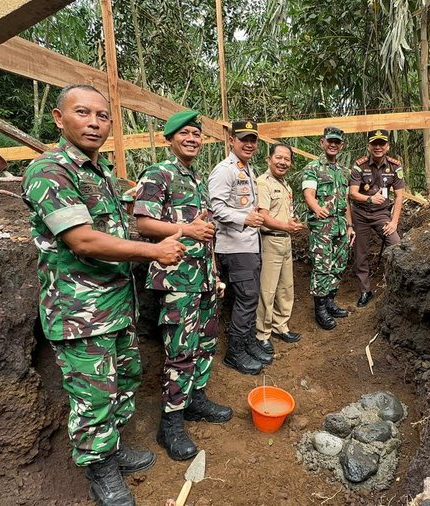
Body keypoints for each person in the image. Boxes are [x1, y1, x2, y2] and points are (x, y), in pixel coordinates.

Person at [22, 84, 186, 506]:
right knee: (93, 398)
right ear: (59, 119)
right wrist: (155, 250)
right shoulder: (50, 171)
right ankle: (100, 471)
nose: (94, 123)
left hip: (117, 308)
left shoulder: (104, 177)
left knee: (125, 382)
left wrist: (173, 231)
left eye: (102, 116)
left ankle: (112, 451)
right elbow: (84, 242)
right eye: (82, 112)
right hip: (79, 314)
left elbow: (118, 231)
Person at [133, 110, 232, 462]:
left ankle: (195, 400)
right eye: (184, 133)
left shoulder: (195, 178)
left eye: (197, 134)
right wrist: (186, 230)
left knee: (205, 343)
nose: (192, 138)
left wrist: (215, 273)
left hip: (202, 278)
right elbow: (144, 223)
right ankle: (170, 423)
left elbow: (206, 235)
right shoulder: (158, 174)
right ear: (169, 138)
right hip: (176, 281)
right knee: (180, 350)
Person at [208, 120, 269, 374]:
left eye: (253, 140)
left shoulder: (246, 168)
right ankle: (235, 352)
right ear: (231, 140)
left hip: (249, 244)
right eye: (244, 139)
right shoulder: (225, 170)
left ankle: (247, 342)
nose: (249, 144)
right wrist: (245, 218)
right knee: (246, 297)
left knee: (249, 297)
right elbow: (216, 209)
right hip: (234, 247)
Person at [301, 126, 354, 330]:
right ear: (322, 142)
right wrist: (316, 208)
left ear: (341, 145)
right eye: (329, 141)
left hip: (340, 225)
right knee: (322, 267)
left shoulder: (343, 172)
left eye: (337, 142)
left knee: (339, 264)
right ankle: (320, 308)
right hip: (322, 226)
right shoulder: (313, 167)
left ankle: (330, 301)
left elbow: (346, 201)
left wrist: (350, 225)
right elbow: (308, 193)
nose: (333, 145)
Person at [255, 143, 305, 350]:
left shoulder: (286, 185)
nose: (283, 162)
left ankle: (280, 325)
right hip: (270, 240)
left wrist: (292, 222)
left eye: (287, 159)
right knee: (267, 289)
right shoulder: (263, 183)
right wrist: (286, 225)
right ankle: (262, 333)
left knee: (286, 287)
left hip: (285, 240)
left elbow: (281, 212)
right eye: (279, 158)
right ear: (269, 159)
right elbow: (263, 216)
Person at [348, 129, 406, 307]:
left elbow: (399, 197)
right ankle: (365, 291)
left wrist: (394, 222)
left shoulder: (395, 167)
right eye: (374, 143)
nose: (378, 147)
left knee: (396, 245)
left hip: (382, 214)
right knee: (360, 254)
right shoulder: (360, 165)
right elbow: (352, 194)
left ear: (387, 146)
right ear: (369, 146)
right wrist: (370, 198)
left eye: (382, 143)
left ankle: (396, 287)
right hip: (360, 214)